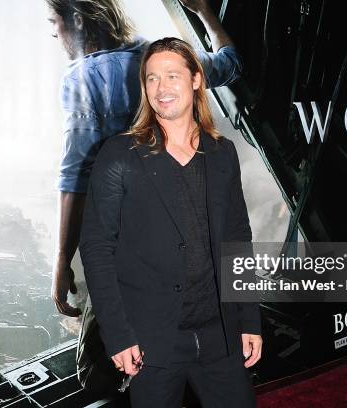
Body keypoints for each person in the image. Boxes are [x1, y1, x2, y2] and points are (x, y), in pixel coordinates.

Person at [79, 37, 262, 407]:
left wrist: (249, 320)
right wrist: (118, 335)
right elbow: (98, 249)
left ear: (196, 80)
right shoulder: (119, 155)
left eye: (172, 76)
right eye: (151, 78)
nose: (161, 88)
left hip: (220, 336)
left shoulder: (222, 152)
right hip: (152, 344)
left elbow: (237, 240)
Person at [46, 0, 245, 317]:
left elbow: (76, 174)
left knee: (101, 359)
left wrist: (61, 258)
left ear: (79, 22)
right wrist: (205, 12)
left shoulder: (82, 80)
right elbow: (230, 64)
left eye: (54, 22)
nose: (54, 34)